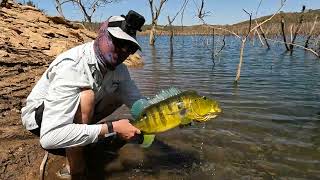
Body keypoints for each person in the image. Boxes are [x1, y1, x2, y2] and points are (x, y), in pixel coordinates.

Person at [21, 10, 146, 179]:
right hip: (41, 121)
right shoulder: (73, 65)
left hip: (72, 114)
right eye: (118, 42)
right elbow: (49, 138)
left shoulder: (119, 70)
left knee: (119, 94)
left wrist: (176, 114)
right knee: (87, 96)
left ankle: (83, 134)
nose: (123, 51)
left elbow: (139, 103)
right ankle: (73, 168)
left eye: (130, 48)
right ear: (101, 35)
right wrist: (112, 128)